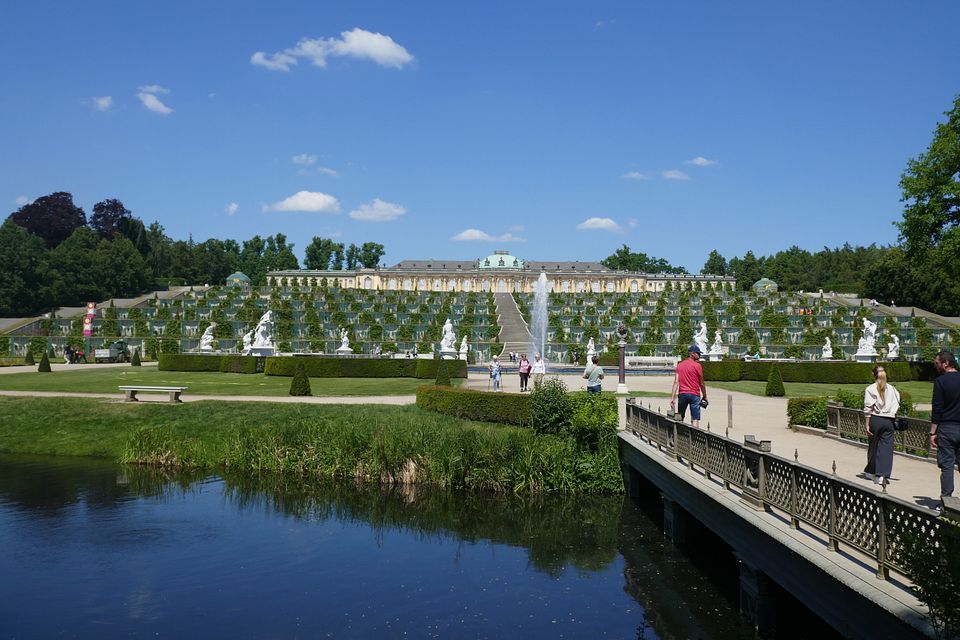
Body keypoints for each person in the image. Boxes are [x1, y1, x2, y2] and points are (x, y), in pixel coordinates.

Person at [931, 351, 960, 508]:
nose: (935, 366)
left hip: (947, 427)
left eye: (936, 363)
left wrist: (933, 432)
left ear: (945, 363)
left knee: (947, 466)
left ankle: (947, 501)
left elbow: (937, 408)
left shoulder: (940, 381)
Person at [863, 365, 900, 485]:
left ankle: (872, 472)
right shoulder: (893, 389)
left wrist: (867, 424)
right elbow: (897, 402)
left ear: (873, 375)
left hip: (876, 419)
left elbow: (869, 407)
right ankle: (882, 474)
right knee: (886, 449)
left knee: (874, 446)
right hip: (889, 420)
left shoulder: (871, 388)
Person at [670, 345, 708, 427]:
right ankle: (694, 437)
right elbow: (702, 383)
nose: (699, 355)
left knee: (680, 416)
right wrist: (705, 396)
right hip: (694, 395)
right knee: (695, 418)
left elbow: (676, 382)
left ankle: (680, 435)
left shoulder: (680, 365)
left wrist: (672, 398)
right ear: (692, 354)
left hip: (683, 394)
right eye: (698, 353)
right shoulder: (697, 366)